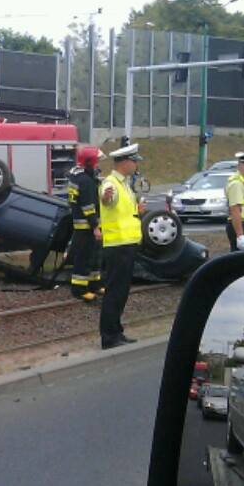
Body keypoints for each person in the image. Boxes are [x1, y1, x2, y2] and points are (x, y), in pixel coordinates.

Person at [99, 143, 147, 350]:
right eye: (134, 161)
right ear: (125, 162)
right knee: (114, 293)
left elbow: (123, 212)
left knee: (121, 293)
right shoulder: (111, 184)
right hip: (118, 245)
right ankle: (109, 336)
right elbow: (107, 199)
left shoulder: (126, 184)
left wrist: (138, 210)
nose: (137, 165)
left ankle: (116, 331)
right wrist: (105, 198)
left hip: (126, 244)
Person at [68, 145, 104, 302]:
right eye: (97, 161)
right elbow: (88, 207)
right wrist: (95, 226)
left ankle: (94, 284)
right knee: (84, 258)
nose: (98, 165)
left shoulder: (80, 177)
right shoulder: (86, 181)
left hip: (86, 226)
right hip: (86, 227)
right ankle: (79, 289)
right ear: (90, 162)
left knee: (94, 256)